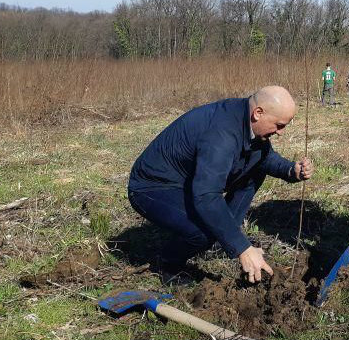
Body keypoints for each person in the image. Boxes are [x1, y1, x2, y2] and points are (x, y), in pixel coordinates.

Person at [127, 86, 314, 285]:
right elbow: (206, 197)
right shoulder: (221, 136)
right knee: (202, 230)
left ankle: (223, 236)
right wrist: (243, 248)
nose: (281, 133)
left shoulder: (247, 121)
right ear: (258, 113)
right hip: (152, 187)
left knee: (255, 172)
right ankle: (167, 264)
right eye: (279, 125)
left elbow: (263, 156)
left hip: (190, 182)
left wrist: (290, 170)